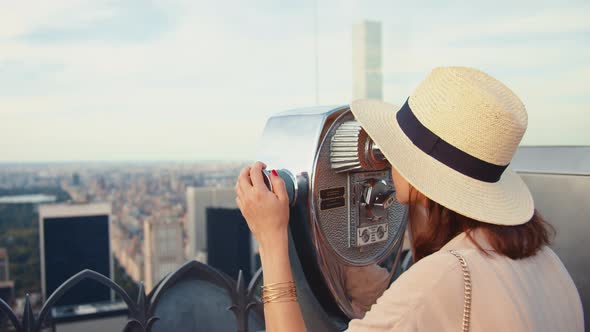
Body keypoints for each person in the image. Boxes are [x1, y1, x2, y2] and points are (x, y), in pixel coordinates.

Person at [235, 67, 584, 331]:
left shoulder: (441, 282)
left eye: (395, 145)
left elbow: (421, 301)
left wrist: (271, 239)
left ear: (421, 176)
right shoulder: (548, 264)